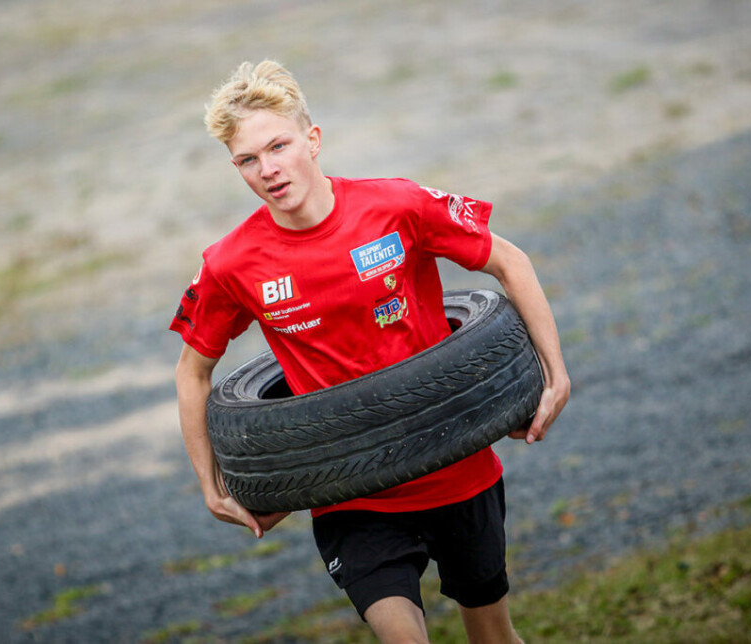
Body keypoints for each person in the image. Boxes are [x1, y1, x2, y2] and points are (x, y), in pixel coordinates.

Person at [170, 60, 569, 644]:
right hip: (350, 492)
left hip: (457, 464)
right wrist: (210, 482)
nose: (268, 170)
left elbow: (509, 261)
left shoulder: (396, 206)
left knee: (495, 638)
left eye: (278, 146)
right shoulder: (232, 263)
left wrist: (553, 374)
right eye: (247, 161)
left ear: (313, 138)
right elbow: (193, 372)